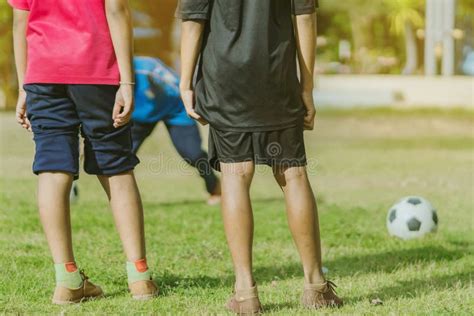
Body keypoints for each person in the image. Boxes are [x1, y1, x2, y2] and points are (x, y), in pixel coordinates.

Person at [177, 0, 343, 313]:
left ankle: (245, 293)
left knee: (235, 176)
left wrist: (185, 83)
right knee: (292, 174)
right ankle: (315, 286)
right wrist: (307, 88)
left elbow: (192, 20)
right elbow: (304, 16)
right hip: (276, 77)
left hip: (223, 78)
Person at [10, 0, 158, 304]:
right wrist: (127, 82)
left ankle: (67, 280)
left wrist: (24, 84)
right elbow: (116, 9)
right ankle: (139, 277)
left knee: (52, 169)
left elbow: (20, 22)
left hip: (43, 74)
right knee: (115, 167)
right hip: (97, 71)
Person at [130, 56, 221, 205]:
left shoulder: (146, 68)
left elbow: (176, 87)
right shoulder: (105, 74)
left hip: (174, 108)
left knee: (193, 154)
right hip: (139, 115)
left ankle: (215, 186)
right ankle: (127, 201)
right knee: (123, 158)